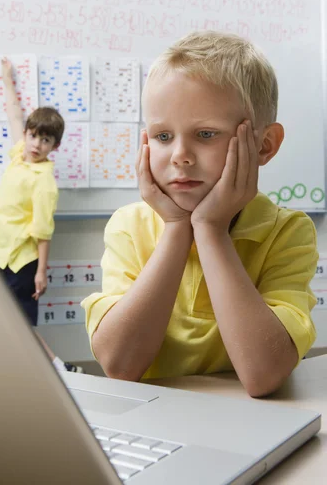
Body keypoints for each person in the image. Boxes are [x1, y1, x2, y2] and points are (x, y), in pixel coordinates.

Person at [82, 31, 318, 398]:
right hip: (158, 425)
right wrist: (178, 228)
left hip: (255, 428)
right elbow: (120, 365)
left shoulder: (287, 232)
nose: (179, 155)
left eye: (206, 134)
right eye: (162, 137)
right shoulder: (129, 227)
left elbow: (264, 375)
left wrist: (210, 230)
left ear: (264, 145)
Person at [0, 58, 63, 327]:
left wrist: (41, 272)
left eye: (46, 140)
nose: (36, 144)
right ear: (26, 135)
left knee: (22, 325)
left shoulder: (44, 181)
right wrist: (7, 79)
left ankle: (50, 366)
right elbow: (14, 113)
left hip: (21, 262)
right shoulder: (19, 154)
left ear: (54, 146)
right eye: (33, 136)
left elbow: (43, 232)